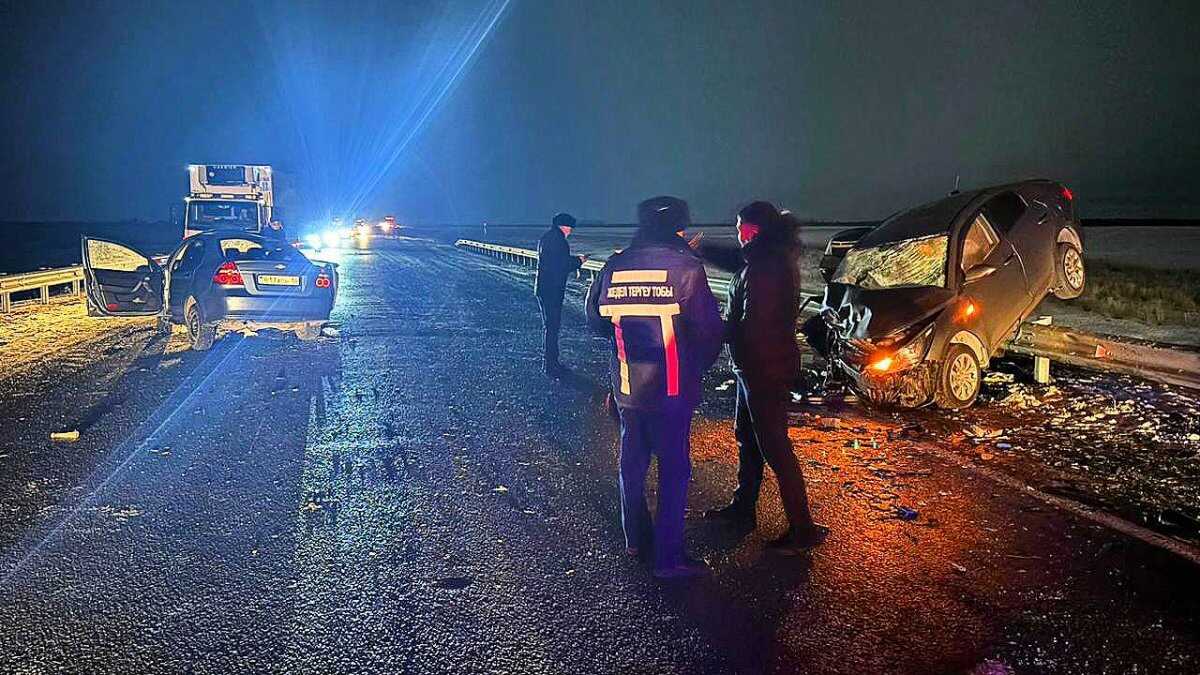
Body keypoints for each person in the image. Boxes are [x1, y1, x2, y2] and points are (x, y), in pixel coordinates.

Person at [586, 196, 724, 578]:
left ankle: (635, 539)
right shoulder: (688, 269)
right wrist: (695, 368)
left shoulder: (614, 266)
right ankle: (669, 558)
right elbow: (711, 333)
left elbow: (596, 323)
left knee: (631, 464)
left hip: (627, 387)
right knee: (674, 470)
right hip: (672, 390)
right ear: (679, 228)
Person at [705, 201, 828, 554]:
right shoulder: (760, 258)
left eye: (742, 227)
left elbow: (753, 325)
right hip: (754, 367)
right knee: (747, 437)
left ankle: (803, 529)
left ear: (757, 229)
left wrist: (713, 329)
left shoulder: (767, 266)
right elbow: (735, 261)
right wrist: (699, 249)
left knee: (775, 446)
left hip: (766, 368)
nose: (738, 233)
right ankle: (743, 509)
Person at [535, 213, 586, 376]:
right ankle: (551, 364)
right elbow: (562, 265)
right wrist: (579, 261)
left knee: (549, 326)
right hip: (552, 290)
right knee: (552, 327)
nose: (571, 231)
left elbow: (554, 261)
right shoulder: (559, 241)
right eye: (570, 227)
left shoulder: (547, 238)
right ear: (563, 226)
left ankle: (551, 362)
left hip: (544, 288)